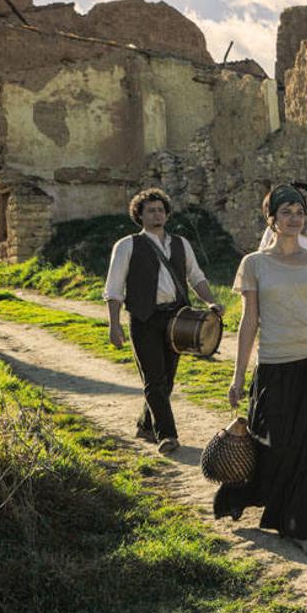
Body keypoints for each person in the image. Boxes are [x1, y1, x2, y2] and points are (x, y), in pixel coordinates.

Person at [214, 184, 307, 558]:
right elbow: (249, 323)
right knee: (276, 445)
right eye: (286, 212)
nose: (294, 218)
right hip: (275, 365)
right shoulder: (254, 264)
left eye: (300, 212)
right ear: (271, 219)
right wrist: (237, 376)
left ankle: (305, 525)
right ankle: (249, 495)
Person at [105, 187, 221, 455]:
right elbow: (113, 289)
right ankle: (167, 435)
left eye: (160, 209)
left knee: (166, 380)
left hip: (178, 319)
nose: (156, 214)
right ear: (140, 215)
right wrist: (114, 323)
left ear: (167, 214)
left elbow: (196, 277)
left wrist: (209, 302)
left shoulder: (181, 243)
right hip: (144, 318)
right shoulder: (127, 245)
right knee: (154, 379)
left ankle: (145, 424)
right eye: (150, 210)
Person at [257, 180, 307, 259]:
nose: (299, 200)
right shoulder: (273, 231)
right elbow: (262, 261)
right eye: (286, 212)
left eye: (303, 197)